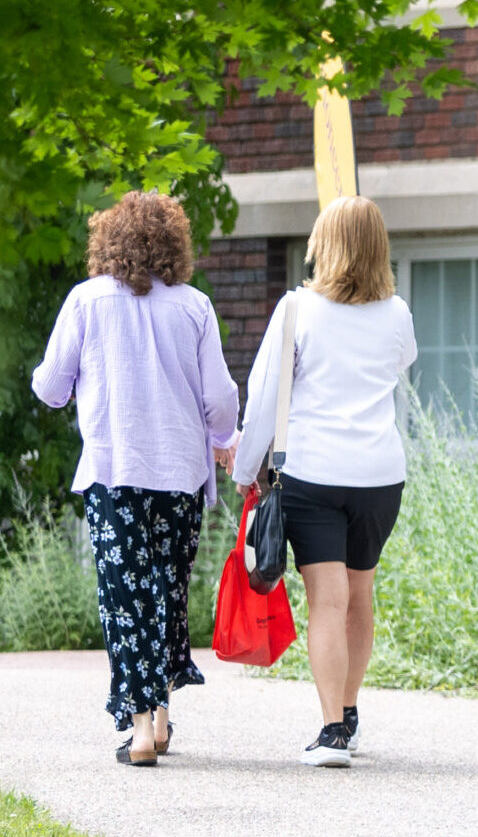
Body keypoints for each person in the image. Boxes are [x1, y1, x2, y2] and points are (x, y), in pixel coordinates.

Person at [31, 192, 241, 766]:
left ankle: (142, 728)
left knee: (126, 597)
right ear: (174, 244)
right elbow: (221, 399)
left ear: (109, 241)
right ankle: (163, 717)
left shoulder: (86, 302)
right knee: (167, 593)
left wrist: (73, 381)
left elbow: (50, 386)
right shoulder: (194, 306)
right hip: (179, 477)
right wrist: (225, 440)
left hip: (114, 471)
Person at [234, 196, 417, 768]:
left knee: (326, 602)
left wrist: (246, 472)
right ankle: (350, 711)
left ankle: (333, 730)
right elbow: (401, 362)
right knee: (358, 595)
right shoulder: (398, 314)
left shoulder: (297, 310)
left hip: (313, 473)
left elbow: (264, 398)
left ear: (324, 243)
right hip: (380, 476)